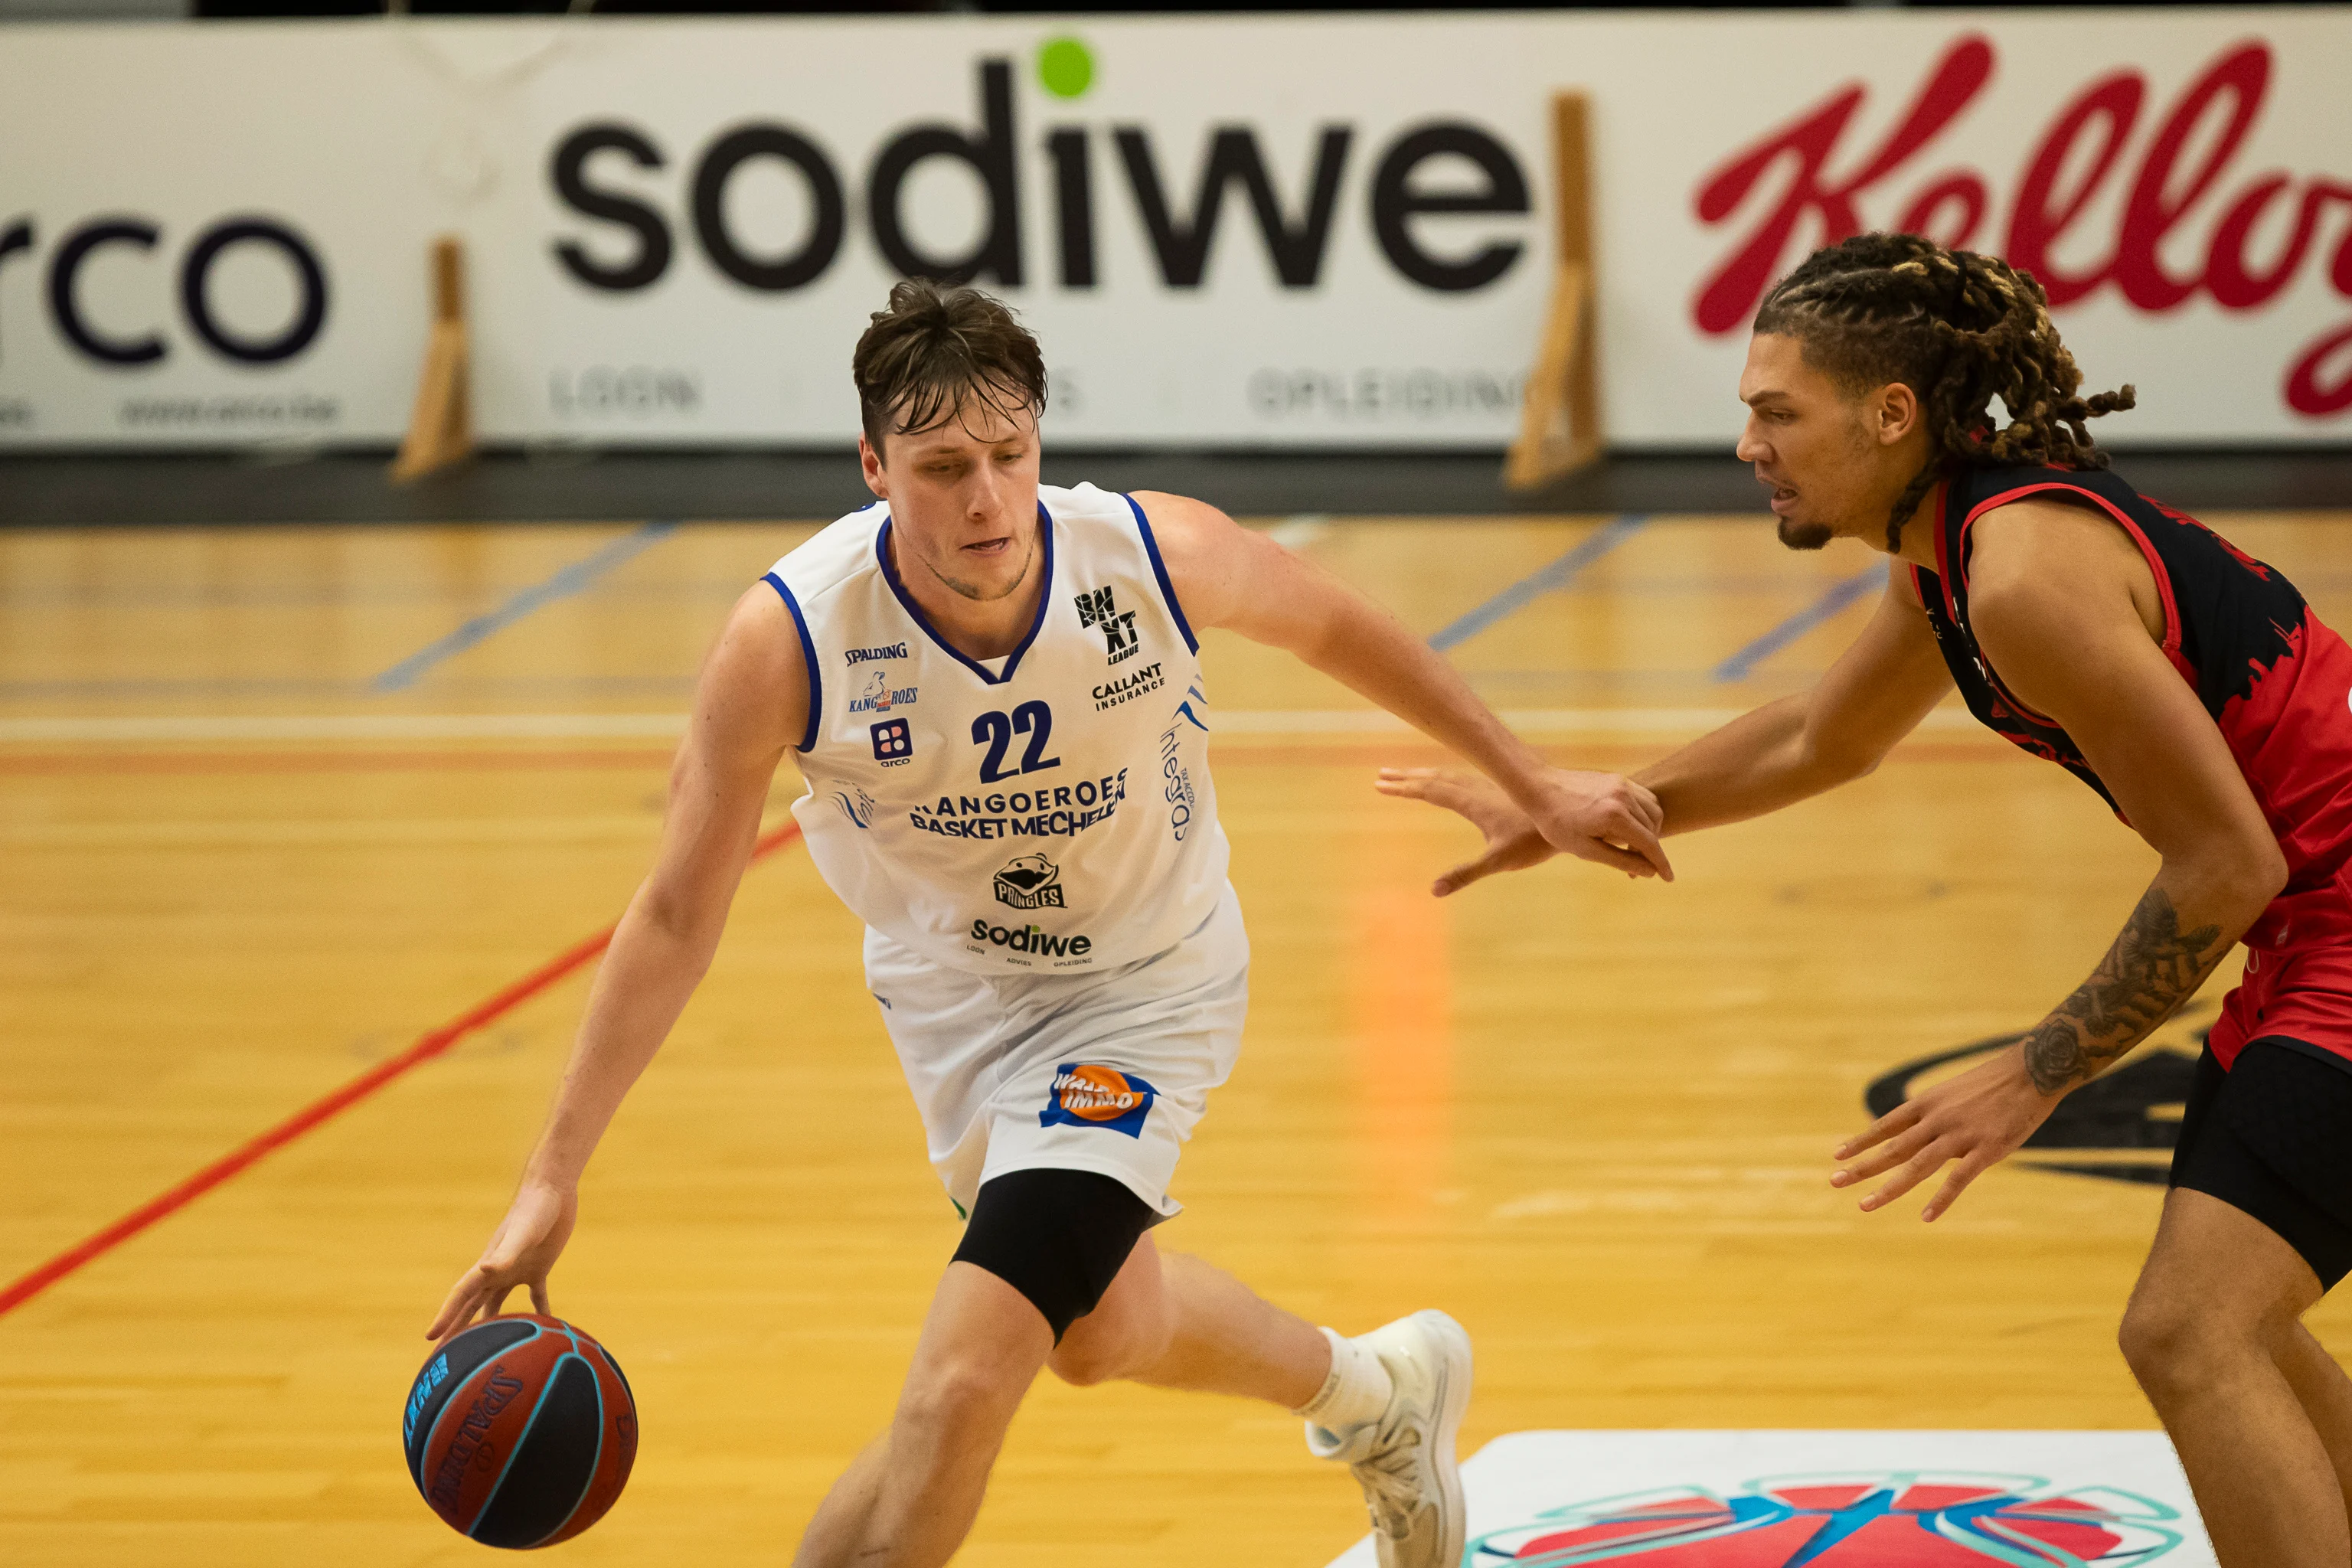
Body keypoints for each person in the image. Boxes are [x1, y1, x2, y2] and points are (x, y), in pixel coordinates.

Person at [426, 278, 1670, 1568]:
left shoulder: (1148, 559)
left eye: (1010, 456)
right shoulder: (789, 639)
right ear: (873, 468)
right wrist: (549, 1178)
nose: (985, 499)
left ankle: (1375, 1403)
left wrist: (1532, 780)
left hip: (1148, 990)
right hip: (956, 1007)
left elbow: (1338, 621)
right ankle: (1377, 1397)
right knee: (1094, 1334)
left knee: (966, 1380)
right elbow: (679, 912)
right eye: (942, 466)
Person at [1379, 233, 2352, 1567]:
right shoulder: (1953, 546)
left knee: (2193, 1332)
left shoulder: (2022, 579)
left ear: (1892, 415)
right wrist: (1578, 812)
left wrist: (2036, 1067)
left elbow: (2225, 865)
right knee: (2232, 1325)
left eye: (1778, 412)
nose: (1748, 446)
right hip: (2315, 930)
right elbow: (1818, 739)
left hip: (2334, 926)